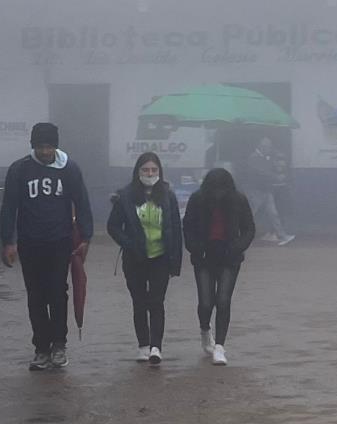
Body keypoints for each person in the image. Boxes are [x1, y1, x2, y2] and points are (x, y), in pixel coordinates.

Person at [0, 122, 93, 370]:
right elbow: (9, 207)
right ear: (33, 145)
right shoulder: (19, 170)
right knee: (35, 296)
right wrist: (8, 241)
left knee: (57, 293)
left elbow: (82, 202)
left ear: (55, 145)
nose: (44, 151)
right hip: (30, 243)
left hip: (59, 242)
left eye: (49, 146)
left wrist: (86, 237)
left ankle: (59, 345)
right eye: (40, 146)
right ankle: (41, 348)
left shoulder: (69, 169)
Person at [107, 152, 182, 364]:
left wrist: (175, 262)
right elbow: (113, 227)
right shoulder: (125, 196)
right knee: (139, 302)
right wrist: (129, 244)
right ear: (138, 172)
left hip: (161, 258)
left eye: (154, 170)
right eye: (145, 170)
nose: (150, 174)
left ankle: (156, 347)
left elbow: (176, 228)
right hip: (135, 259)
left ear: (160, 171)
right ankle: (143, 344)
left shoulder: (168, 195)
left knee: (156, 302)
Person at [183, 168, 255, 365]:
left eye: (222, 190)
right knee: (206, 302)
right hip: (204, 257)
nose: (218, 194)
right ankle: (205, 330)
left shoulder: (239, 200)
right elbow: (187, 227)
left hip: (229, 257)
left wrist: (236, 247)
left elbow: (249, 229)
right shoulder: (197, 200)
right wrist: (195, 248)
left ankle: (220, 347)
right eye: (214, 189)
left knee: (223, 300)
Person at [244, 137, 295, 246]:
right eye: (269, 147)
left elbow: (265, 172)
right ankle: (240, 236)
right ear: (262, 147)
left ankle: (282, 236)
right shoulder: (254, 158)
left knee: (273, 214)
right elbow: (260, 173)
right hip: (255, 191)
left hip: (265, 190)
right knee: (251, 215)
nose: (270, 149)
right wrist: (276, 177)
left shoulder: (263, 157)